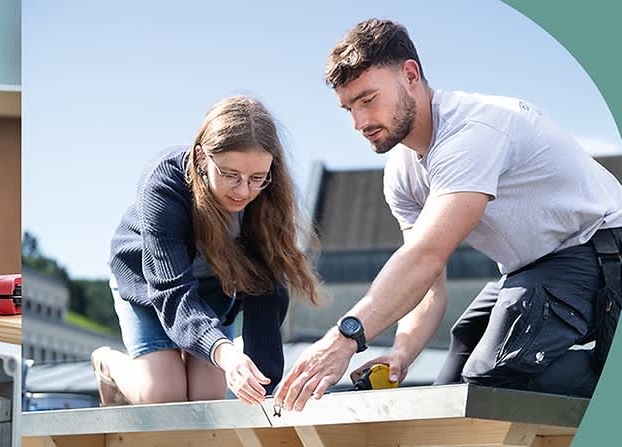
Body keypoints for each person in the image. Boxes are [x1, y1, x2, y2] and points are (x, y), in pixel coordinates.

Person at [274, 19, 622, 413]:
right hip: (534, 267)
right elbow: (427, 284)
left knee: (493, 381)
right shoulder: (402, 173)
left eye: (368, 99)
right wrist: (402, 354)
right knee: (452, 390)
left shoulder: (471, 133)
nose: (359, 122)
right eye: (348, 107)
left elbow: (426, 256)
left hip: (602, 248)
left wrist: (344, 337)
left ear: (410, 75)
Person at [91, 95, 323, 406]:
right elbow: (172, 290)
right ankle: (108, 364)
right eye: (230, 175)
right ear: (202, 157)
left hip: (214, 291)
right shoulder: (164, 181)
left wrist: (265, 387)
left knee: (206, 401)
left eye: (257, 178)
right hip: (152, 286)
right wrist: (226, 354)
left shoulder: (269, 196)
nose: (244, 191)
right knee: (165, 396)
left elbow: (267, 292)